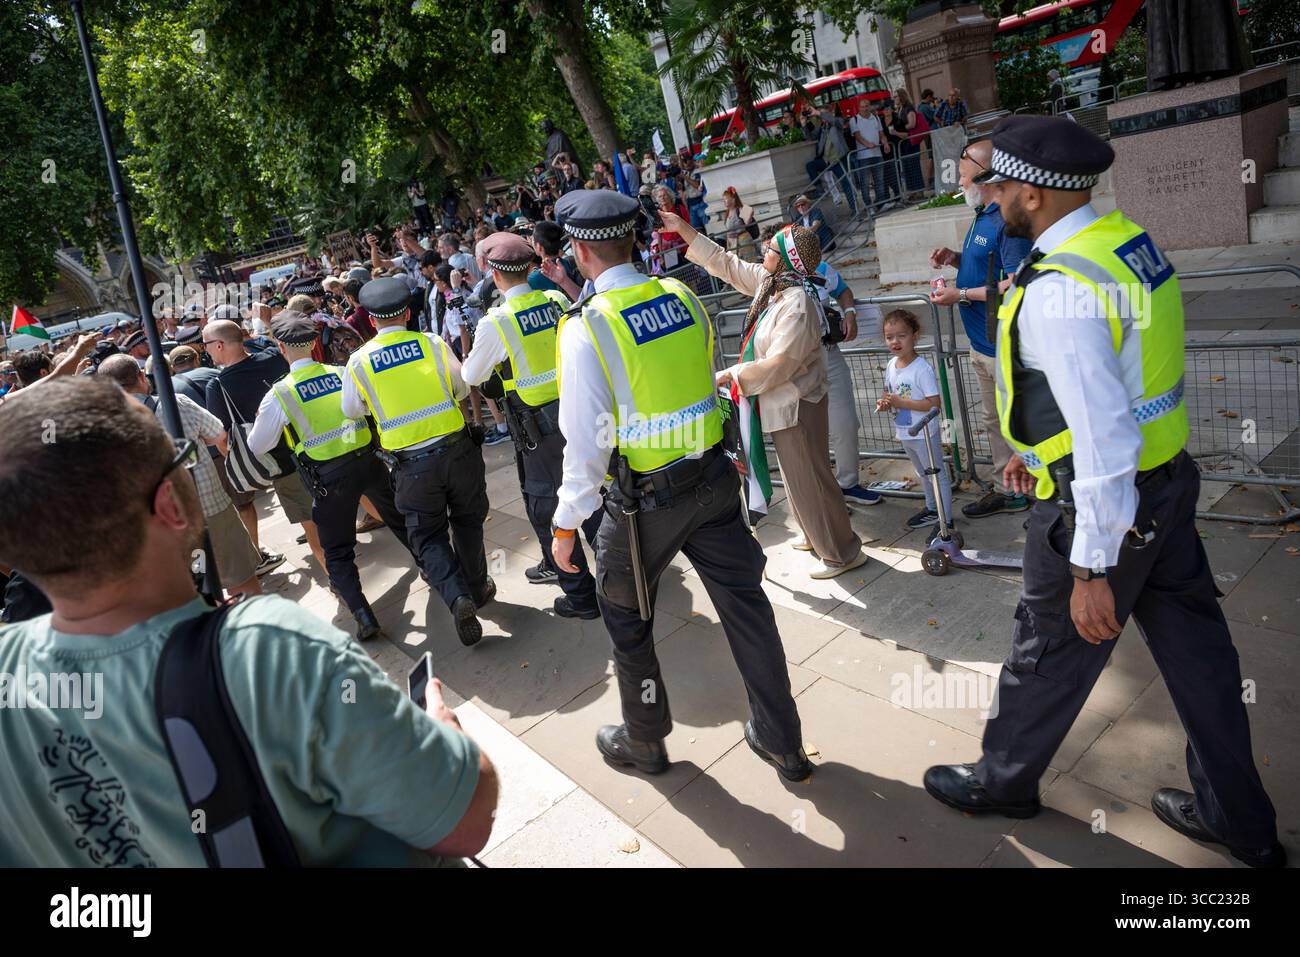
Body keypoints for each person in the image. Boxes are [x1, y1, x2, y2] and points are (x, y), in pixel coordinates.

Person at [923, 116, 1284, 868]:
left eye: (997, 184)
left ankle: (1004, 780)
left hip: (1104, 509)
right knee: (1202, 664)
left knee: (1046, 652)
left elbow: (1106, 435)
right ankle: (1240, 822)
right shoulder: (1127, 242)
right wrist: (1036, 451)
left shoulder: (1063, 288)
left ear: (1031, 192)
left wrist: (1091, 566)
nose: (990, 196)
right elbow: (1113, 392)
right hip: (1167, 488)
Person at [0, 377, 497, 866]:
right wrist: (446, 735)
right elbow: (465, 820)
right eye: (180, 459)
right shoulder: (268, 649)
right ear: (170, 505)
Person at [550, 190, 814, 781]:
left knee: (625, 617)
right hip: (713, 482)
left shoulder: (586, 327)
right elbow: (701, 385)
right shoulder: (681, 295)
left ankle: (644, 740)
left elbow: (586, 446)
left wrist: (566, 523)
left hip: (645, 501)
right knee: (749, 611)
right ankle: (783, 741)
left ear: (580, 252)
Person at [668, 211, 869, 579]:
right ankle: (815, 534)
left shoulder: (797, 303)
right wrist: (683, 229)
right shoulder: (772, 284)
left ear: (786, 259)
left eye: (772, 246)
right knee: (796, 478)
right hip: (783, 403)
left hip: (798, 404)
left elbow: (781, 364)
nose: (763, 248)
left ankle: (841, 552)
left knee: (811, 477)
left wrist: (728, 375)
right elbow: (725, 264)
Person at [246, 311, 416, 640]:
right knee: (401, 520)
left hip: (329, 478)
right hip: (367, 462)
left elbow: (259, 444)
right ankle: (438, 573)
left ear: (281, 347)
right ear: (313, 343)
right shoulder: (340, 373)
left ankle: (364, 615)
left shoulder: (280, 394)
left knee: (337, 550)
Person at [341, 277, 492, 648]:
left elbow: (351, 411)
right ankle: (477, 587)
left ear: (371, 320)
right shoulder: (431, 342)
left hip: (411, 467)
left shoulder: (359, 362)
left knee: (427, 537)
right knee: (469, 522)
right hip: (458, 452)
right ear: (408, 313)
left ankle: (457, 597)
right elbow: (460, 388)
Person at [461, 232, 601, 618]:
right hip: (580, 413)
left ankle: (581, 596)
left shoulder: (498, 322)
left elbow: (472, 375)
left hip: (538, 431)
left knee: (546, 508)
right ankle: (618, 578)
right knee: (594, 497)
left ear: (492, 272)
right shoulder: (555, 299)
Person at [97, 353, 264, 599]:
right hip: (212, 510)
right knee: (242, 581)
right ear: (141, 377)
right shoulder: (177, 403)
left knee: (198, 593)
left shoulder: (105, 431)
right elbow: (219, 435)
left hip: (165, 526)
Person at [928, 137, 1033, 519]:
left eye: (962, 174)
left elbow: (1016, 281)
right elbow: (987, 270)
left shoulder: (1006, 220)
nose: (957, 181)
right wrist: (955, 258)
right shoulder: (980, 216)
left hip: (1002, 343)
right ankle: (1010, 489)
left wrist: (962, 295)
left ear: (982, 173)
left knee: (1015, 420)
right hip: (981, 343)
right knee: (995, 421)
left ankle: (1033, 491)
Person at [202, 319, 324, 574]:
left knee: (313, 525)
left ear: (221, 345)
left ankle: (341, 583)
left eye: (207, 344)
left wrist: (246, 462)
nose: (206, 350)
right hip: (319, 440)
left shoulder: (219, 385)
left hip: (280, 464)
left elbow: (222, 439)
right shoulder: (273, 356)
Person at [810, 255, 880, 508]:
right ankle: (819, 496)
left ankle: (848, 484)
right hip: (798, 359)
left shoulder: (819, 267)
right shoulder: (773, 274)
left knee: (846, 422)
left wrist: (849, 312)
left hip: (828, 353)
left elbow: (843, 290)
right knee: (808, 431)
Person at [876, 310, 952, 528]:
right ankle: (931, 509)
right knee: (923, 473)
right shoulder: (891, 365)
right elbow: (888, 392)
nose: (895, 341)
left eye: (901, 335)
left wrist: (902, 403)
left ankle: (946, 520)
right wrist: (885, 403)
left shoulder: (922, 369)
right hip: (905, 431)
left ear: (915, 336)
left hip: (924, 433)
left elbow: (934, 404)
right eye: (890, 337)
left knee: (936, 475)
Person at [848, 98, 887, 211]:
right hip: (863, 157)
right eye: (862, 106)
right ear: (859, 108)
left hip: (877, 154)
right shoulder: (854, 120)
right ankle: (869, 206)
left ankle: (881, 203)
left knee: (879, 180)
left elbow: (881, 134)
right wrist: (867, 144)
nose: (865, 108)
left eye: (867, 106)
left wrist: (885, 143)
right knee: (864, 183)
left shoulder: (875, 117)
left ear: (870, 106)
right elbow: (857, 136)